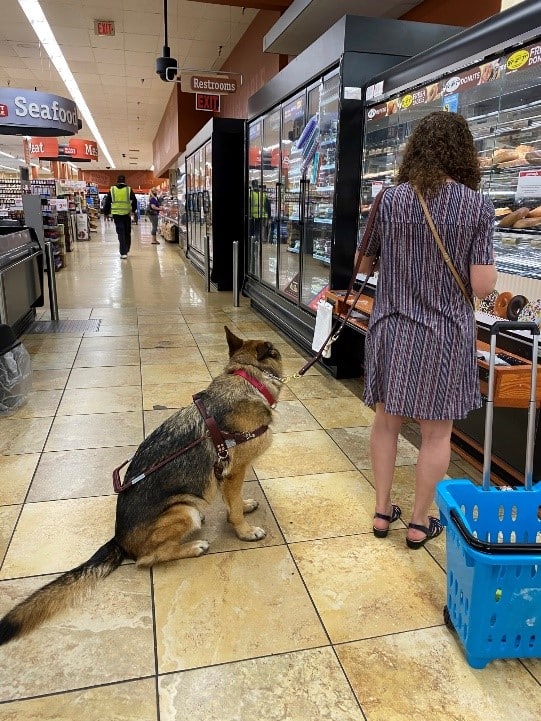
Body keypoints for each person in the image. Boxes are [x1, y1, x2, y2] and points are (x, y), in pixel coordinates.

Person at [357, 111, 497, 549]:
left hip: (392, 326)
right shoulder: (477, 205)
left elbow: (363, 265)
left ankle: (382, 513)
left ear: (415, 150)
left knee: (386, 422)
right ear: (464, 155)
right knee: (437, 433)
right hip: (444, 333)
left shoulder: (390, 199)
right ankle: (419, 523)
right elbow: (481, 285)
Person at [102, 175, 137, 258]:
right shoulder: (129, 189)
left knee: (120, 232)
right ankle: (127, 248)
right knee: (127, 232)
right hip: (126, 214)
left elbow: (107, 202)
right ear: (125, 181)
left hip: (116, 214)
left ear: (117, 180)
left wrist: (106, 212)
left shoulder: (112, 189)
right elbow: (134, 200)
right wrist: (133, 210)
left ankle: (123, 252)